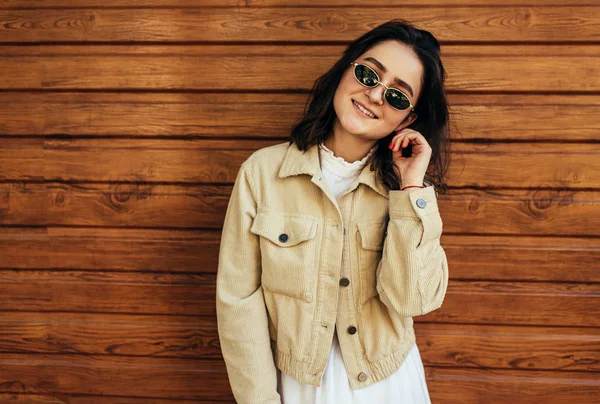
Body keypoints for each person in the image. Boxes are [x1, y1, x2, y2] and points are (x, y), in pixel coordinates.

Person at [216, 19, 451, 404]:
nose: (376, 95)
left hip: (388, 386)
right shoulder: (262, 174)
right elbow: (238, 304)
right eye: (368, 74)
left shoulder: (407, 193)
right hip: (299, 388)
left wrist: (411, 188)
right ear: (345, 71)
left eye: (397, 96)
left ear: (407, 119)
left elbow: (413, 301)